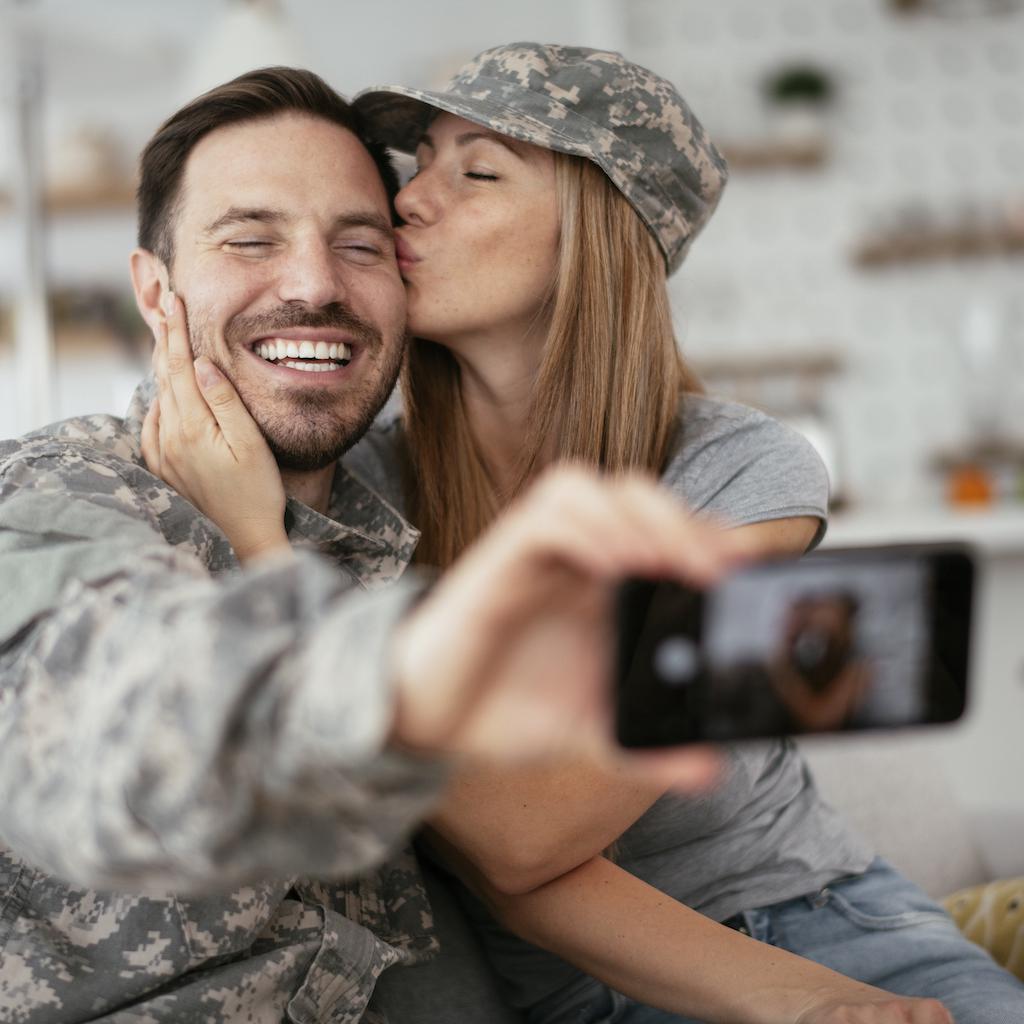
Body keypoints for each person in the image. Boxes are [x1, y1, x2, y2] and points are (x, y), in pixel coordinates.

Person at [147, 46, 1023, 1024]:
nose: (406, 202)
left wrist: (827, 997)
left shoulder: (735, 474)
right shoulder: (357, 485)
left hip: (827, 931)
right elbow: (505, 854)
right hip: (569, 996)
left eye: (476, 172)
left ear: (594, 239)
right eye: (415, 165)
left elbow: (531, 831)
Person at [0, 66, 755, 1024]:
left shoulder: (403, 530)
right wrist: (388, 689)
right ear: (157, 293)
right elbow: (95, 711)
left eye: (362, 244)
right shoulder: (61, 491)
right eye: (249, 239)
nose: (315, 285)